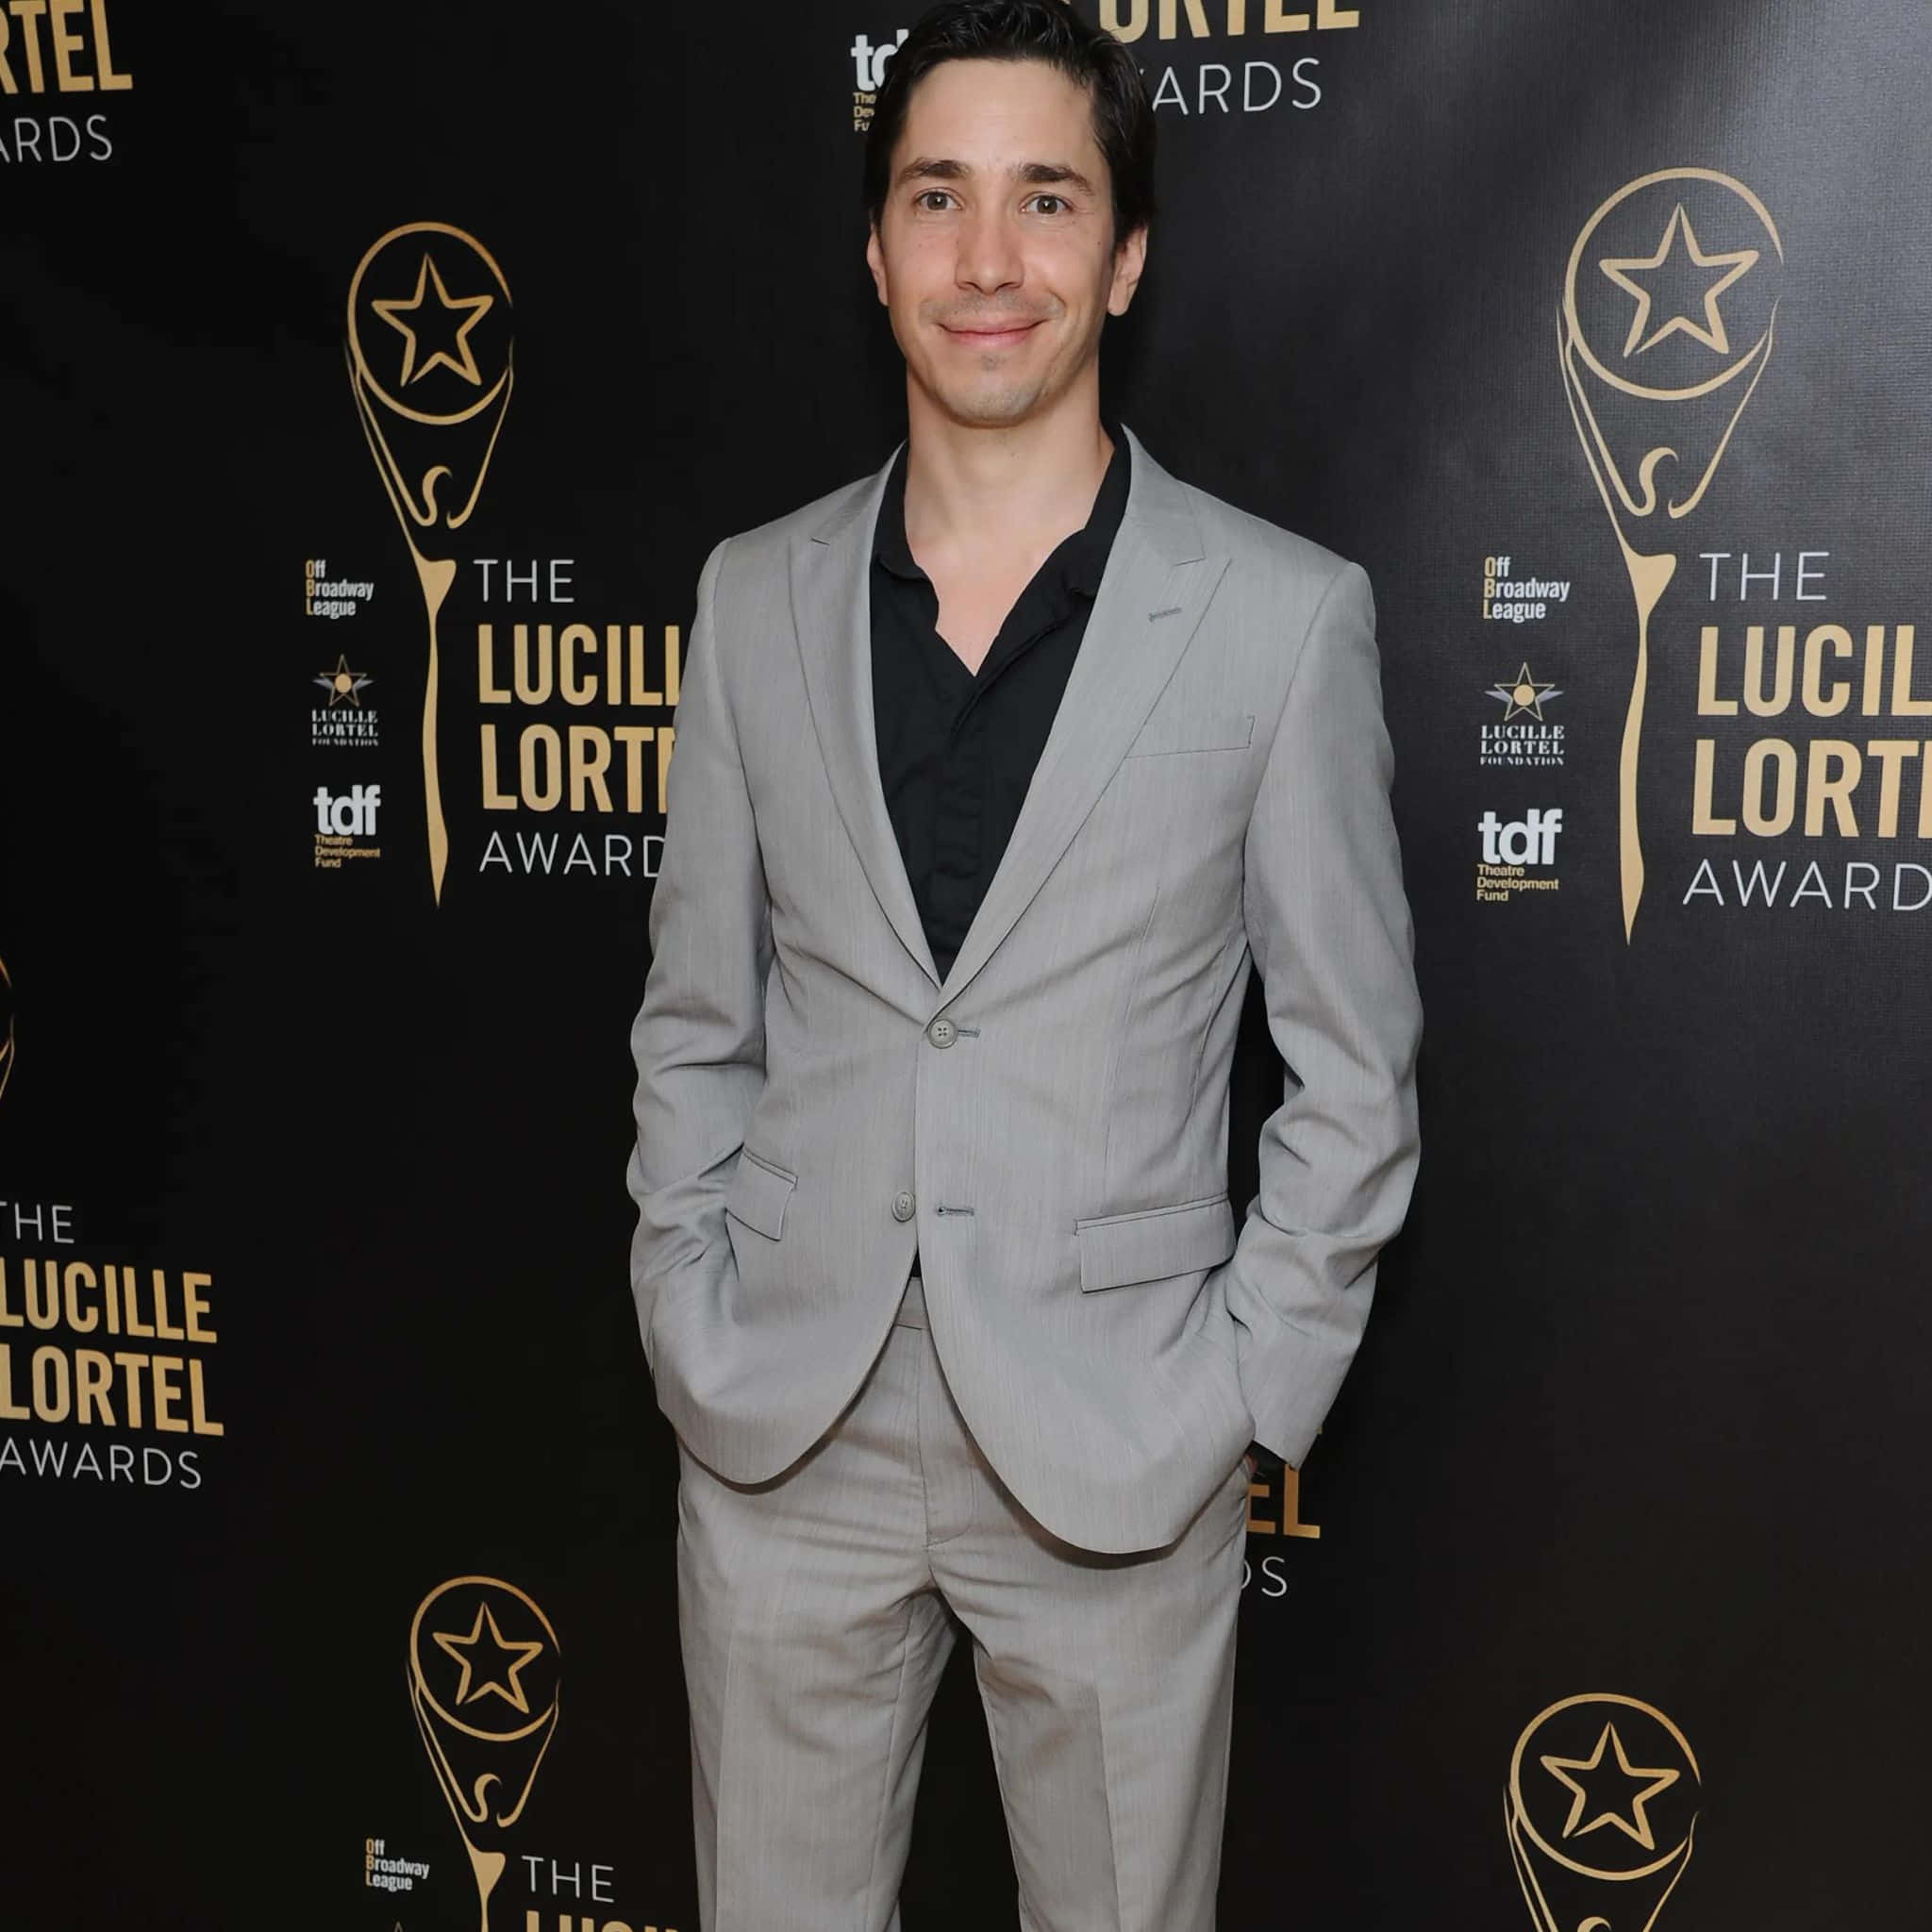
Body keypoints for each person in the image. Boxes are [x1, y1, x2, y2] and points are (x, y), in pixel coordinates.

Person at [625, 3, 1421, 1926]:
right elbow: (697, 1021)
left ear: (1125, 255)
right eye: (938, 197)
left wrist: (1236, 1393)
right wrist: (688, 1303)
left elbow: (1353, 1070)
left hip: (1117, 1444)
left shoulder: (1282, 621)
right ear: (874, 249)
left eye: (1046, 199)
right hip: (781, 1428)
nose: (989, 258)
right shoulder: (749, 597)